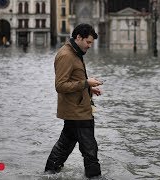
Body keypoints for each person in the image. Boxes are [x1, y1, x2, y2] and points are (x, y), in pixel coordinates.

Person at [44, 23, 103, 178]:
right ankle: (95, 177)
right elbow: (60, 85)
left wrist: (89, 88)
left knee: (64, 146)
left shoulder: (74, 52)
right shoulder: (66, 55)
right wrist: (86, 83)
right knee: (90, 150)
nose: (90, 46)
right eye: (88, 42)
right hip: (78, 113)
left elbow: (73, 80)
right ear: (78, 37)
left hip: (77, 110)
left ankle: (49, 174)